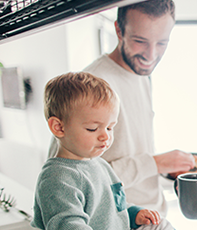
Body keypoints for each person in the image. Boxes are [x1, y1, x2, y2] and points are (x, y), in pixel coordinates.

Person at [48, 0, 195, 217]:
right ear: (118, 30)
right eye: (140, 41)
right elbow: (72, 177)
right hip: (120, 219)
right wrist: (154, 163)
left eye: (162, 43)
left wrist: (164, 169)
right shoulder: (95, 84)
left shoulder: (141, 75)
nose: (151, 55)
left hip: (152, 216)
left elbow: (130, 151)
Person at [32, 72, 162, 229]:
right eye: (92, 129)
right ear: (58, 127)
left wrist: (134, 214)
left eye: (109, 127)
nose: (105, 136)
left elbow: (113, 209)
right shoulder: (57, 178)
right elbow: (69, 225)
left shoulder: (100, 165)